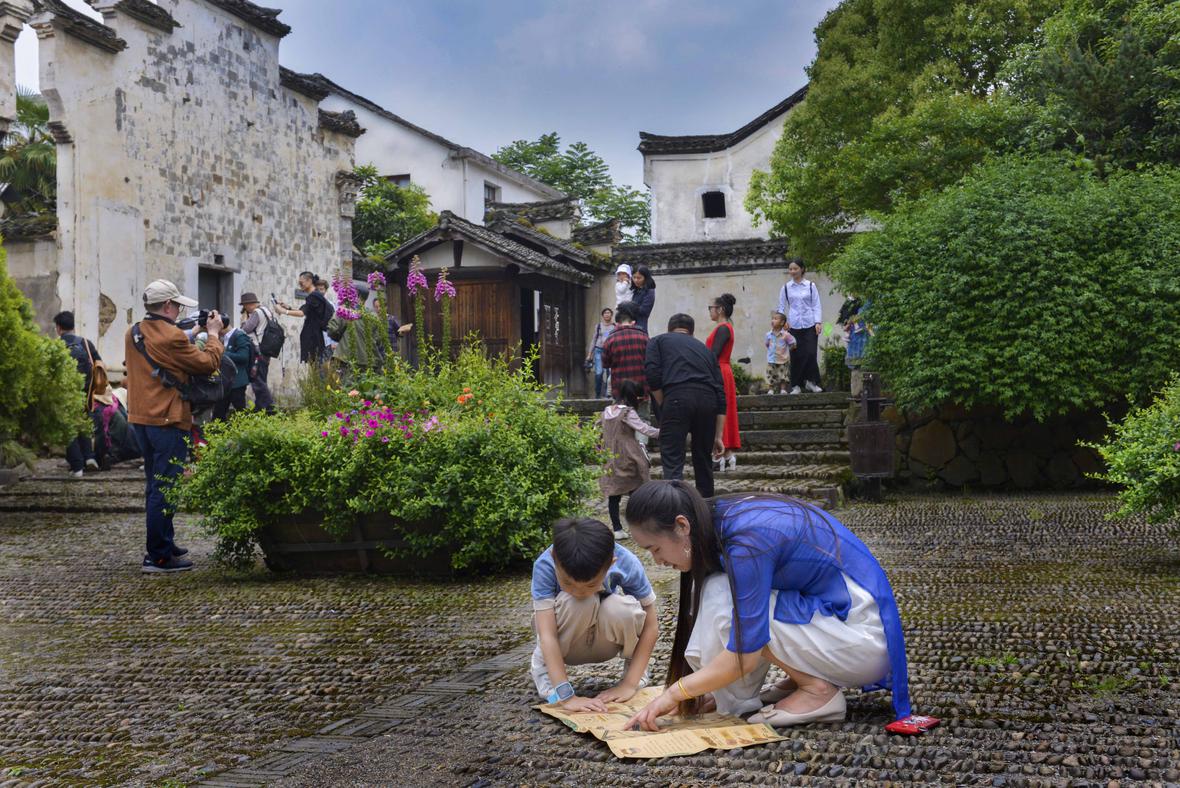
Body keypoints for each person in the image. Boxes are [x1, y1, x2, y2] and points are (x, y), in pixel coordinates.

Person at [623, 481, 918, 732]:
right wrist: (708, 691)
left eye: (655, 549)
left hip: (862, 642)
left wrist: (675, 694)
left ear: (682, 525)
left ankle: (817, 690)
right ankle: (779, 684)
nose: (657, 561)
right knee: (718, 590)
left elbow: (745, 653)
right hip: (844, 631)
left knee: (726, 602)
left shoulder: (746, 542)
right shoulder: (721, 521)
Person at [125, 279, 224, 573]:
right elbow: (208, 363)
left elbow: (162, 346)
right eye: (178, 305)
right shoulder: (172, 337)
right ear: (168, 305)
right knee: (165, 487)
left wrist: (191, 332)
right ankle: (158, 556)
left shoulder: (134, 331)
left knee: (155, 484)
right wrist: (213, 334)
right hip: (167, 418)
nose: (180, 310)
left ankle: (164, 543)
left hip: (141, 418)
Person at [530, 517, 659, 710]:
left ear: (611, 563)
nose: (579, 591)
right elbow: (547, 634)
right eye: (568, 583)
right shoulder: (545, 565)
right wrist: (567, 698)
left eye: (591, 584)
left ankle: (635, 672)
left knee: (620, 608)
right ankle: (547, 673)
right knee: (577, 602)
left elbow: (651, 626)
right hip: (566, 644)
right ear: (554, 557)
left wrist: (629, 684)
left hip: (606, 643)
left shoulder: (626, 561)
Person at [644, 313, 726, 498]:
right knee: (704, 460)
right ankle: (706, 505)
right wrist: (718, 436)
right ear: (692, 332)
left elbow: (652, 374)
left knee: (673, 459)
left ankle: (676, 505)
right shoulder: (706, 351)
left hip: (676, 395)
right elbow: (721, 394)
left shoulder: (657, 341)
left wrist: (663, 402)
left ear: (669, 329)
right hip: (708, 401)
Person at [599, 379, 660, 538]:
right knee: (636, 491)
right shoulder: (627, 412)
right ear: (633, 395)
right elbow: (643, 428)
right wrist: (662, 432)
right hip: (629, 456)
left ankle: (617, 529)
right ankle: (640, 525)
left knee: (614, 493)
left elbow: (597, 430)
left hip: (610, 457)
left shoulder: (606, 411)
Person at [53, 311, 100, 478]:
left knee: (69, 427)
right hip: (86, 393)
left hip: (64, 394)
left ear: (58, 328)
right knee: (84, 424)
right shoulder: (86, 343)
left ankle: (77, 466)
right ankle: (89, 458)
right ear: (73, 325)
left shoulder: (55, 347)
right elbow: (99, 364)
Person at [705, 294, 741, 472]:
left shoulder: (723, 328)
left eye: (711, 308)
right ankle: (727, 455)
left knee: (719, 411)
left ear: (720, 310)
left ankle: (719, 455)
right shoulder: (724, 328)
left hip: (718, 371)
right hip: (721, 370)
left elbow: (714, 354)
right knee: (723, 411)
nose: (710, 311)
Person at [777, 261, 823, 394]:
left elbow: (816, 305)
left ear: (802, 269)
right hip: (793, 326)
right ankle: (796, 385)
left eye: (795, 268)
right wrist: (783, 322)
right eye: (790, 269)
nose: (792, 271)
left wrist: (818, 322)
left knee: (810, 353)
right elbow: (781, 306)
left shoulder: (810, 286)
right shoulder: (786, 288)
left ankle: (811, 382)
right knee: (796, 355)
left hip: (810, 324)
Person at [601, 302, 649, 408]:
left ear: (617, 322)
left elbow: (605, 364)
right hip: (641, 391)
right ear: (633, 322)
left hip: (620, 392)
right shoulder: (644, 337)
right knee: (642, 417)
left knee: (620, 417)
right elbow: (650, 362)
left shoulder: (610, 339)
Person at [276, 272, 331, 363]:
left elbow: (302, 313)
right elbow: (306, 310)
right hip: (315, 336)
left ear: (309, 281)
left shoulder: (314, 296)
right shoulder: (314, 295)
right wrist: (288, 308)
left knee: (316, 366)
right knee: (315, 365)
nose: (300, 285)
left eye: (301, 282)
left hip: (314, 338)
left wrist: (283, 311)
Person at [239, 292, 276, 413]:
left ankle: (270, 407)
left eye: (244, 306)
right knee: (261, 378)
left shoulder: (256, 313)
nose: (244, 308)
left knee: (256, 379)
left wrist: (244, 320)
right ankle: (260, 408)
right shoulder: (266, 311)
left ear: (249, 304)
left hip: (257, 350)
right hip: (266, 350)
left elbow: (245, 330)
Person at [211, 315, 252, 421]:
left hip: (237, 382)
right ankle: (218, 430)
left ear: (222, 326)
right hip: (225, 382)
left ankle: (246, 430)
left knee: (240, 413)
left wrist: (222, 354)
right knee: (218, 413)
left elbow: (244, 357)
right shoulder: (223, 338)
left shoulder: (239, 335)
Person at [764, 311, 796, 395]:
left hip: (783, 359)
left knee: (783, 375)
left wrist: (790, 348)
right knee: (770, 374)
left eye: (775, 319)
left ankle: (783, 389)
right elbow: (767, 344)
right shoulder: (768, 335)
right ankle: (771, 389)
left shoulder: (786, 335)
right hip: (771, 359)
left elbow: (792, 342)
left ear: (782, 322)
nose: (773, 320)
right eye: (772, 319)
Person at [586, 307, 615, 399]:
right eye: (605, 313)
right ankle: (598, 394)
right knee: (599, 373)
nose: (607, 314)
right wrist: (589, 354)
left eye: (608, 313)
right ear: (602, 315)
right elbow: (594, 340)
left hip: (610, 352)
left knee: (610, 373)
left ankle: (608, 394)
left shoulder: (614, 326)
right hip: (599, 350)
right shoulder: (598, 326)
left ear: (611, 315)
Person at [629, 265, 656, 334]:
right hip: (629, 325)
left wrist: (628, 306)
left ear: (645, 278)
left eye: (639, 278)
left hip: (640, 327)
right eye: (634, 277)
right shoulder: (635, 290)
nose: (636, 280)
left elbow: (644, 310)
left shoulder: (649, 291)